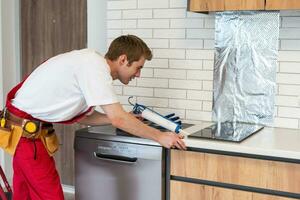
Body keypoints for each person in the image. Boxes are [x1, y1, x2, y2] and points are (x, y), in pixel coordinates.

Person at [0, 35, 186, 200]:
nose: (138, 74)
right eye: (138, 67)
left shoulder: (90, 63)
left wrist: (127, 117)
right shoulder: (95, 68)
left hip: (25, 133)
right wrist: (160, 136)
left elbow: (84, 116)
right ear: (123, 59)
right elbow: (117, 119)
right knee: (50, 195)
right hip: (27, 136)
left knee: (25, 194)